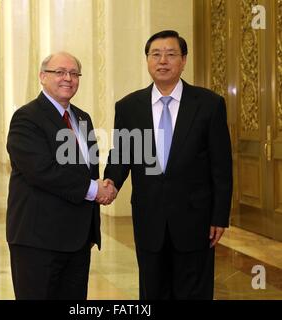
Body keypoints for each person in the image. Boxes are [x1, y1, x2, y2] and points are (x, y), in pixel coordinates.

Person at [103, 30, 233, 299]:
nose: (163, 61)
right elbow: (123, 154)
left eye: (171, 54)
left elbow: (221, 166)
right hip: (149, 219)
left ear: (183, 60)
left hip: (196, 220)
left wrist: (220, 216)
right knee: (152, 291)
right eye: (156, 54)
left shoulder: (209, 105)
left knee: (194, 292)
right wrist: (110, 182)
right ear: (148, 60)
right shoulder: (129, 107)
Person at [6, 52, 115, 300]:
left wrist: (104, 186)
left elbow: (88, 168)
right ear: (42, 76)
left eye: (74, 73)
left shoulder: (82, 118)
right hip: (38, 241)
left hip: (78, 240)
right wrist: (94, 190)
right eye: (60, 72)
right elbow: (42, 171)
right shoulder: (27, 118)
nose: (68, 78)